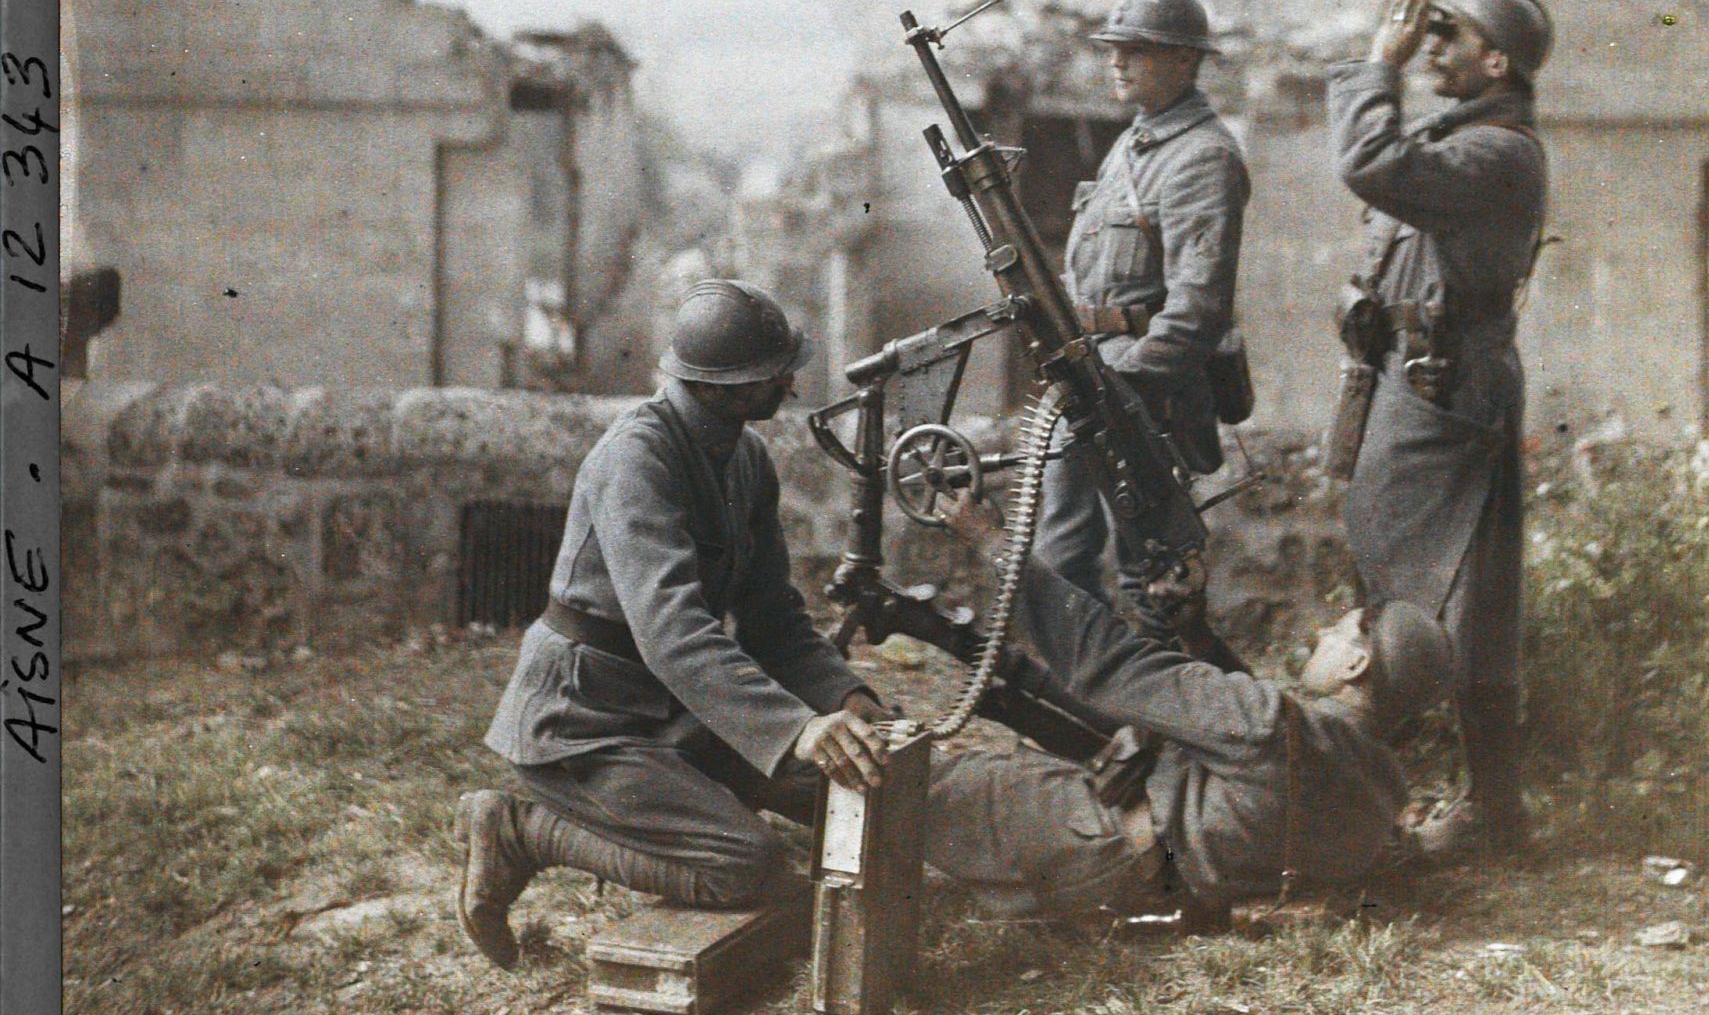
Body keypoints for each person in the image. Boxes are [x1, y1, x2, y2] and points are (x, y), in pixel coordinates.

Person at [454, 280, 893, 970]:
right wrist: (796, 729)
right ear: (717, 388)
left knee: (849, 791)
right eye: (770, 375)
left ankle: (693, 795)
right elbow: (674, 633)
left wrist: (844, 696)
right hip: (583, 724)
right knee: (743, 864)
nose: (789, 382)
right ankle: (519, 830)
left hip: (673, 712)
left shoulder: (745, 458)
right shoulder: (635, 457)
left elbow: (773, 615)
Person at [927, 493, 1449, 920]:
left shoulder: (1265, 725)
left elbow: (1107, 661)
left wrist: (996, 544)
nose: (1321, 634)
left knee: (914, 782)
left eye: (1337, 632)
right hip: (1154, 887)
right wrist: (1196, 634)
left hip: (1094, 844)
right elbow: (1277, 755)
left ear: (1356, 666)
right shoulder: (1381, 791)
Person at [1325, 0, 1553, 864]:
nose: (1430, 45)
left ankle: (1450, 809)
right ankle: (1396, 795)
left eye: (1449, 36)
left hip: (1448, 389)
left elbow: (1368, 161)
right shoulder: (1464, 137)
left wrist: (1378, 63)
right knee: (1416, 583)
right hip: (1419, 379)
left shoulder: (1499, 151)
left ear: (1497, 62)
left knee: (1451, 595)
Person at [1037, 0, 1252, 639]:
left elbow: (1198, 309)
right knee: (1060, 555)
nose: (1117, 62)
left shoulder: (1203, 157)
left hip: (1147, 394)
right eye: (1113, 48)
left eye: (1136, 49)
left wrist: (1121, 385)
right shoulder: (1135, 143)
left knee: (1152, 573)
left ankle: (1179, 697)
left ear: (1184, 60)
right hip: (1093, 377)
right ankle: (1087, 689)